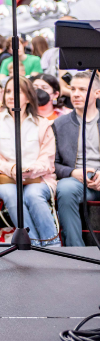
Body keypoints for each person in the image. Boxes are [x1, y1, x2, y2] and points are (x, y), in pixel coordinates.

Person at [0, 80, 59, 247]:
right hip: (4, 178)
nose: (10, 96)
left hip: (38, 178)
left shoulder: (43, 124)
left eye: (17, 92)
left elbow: (48, 158)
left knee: (33, 195)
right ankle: (34, 244)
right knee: (10, 194)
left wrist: (30, 170)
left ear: (28, 97)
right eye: (8, 91)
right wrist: (12, 169)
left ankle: (52, 244)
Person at [53, 72, 100, 246]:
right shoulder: (60, 124)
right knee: (65, 189)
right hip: (77, 181)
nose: (76, 94)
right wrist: (73, 172)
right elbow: (53, 164)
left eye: (82, 89)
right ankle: (76, 251)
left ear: (97, 93)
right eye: (73, 89)